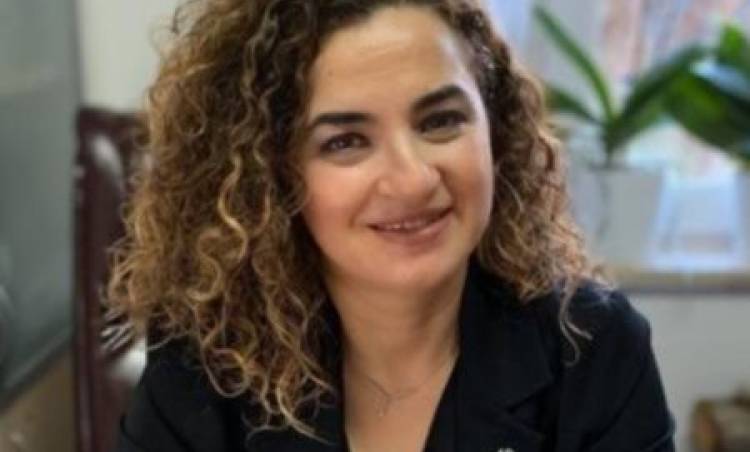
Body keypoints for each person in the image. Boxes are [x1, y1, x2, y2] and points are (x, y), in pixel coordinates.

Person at [108, 0, 675, 451]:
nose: (411, 180)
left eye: (440, 121)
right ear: (269, 179)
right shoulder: (203, 367)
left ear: (496, 133)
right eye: (346, 142)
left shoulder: (593, 351)